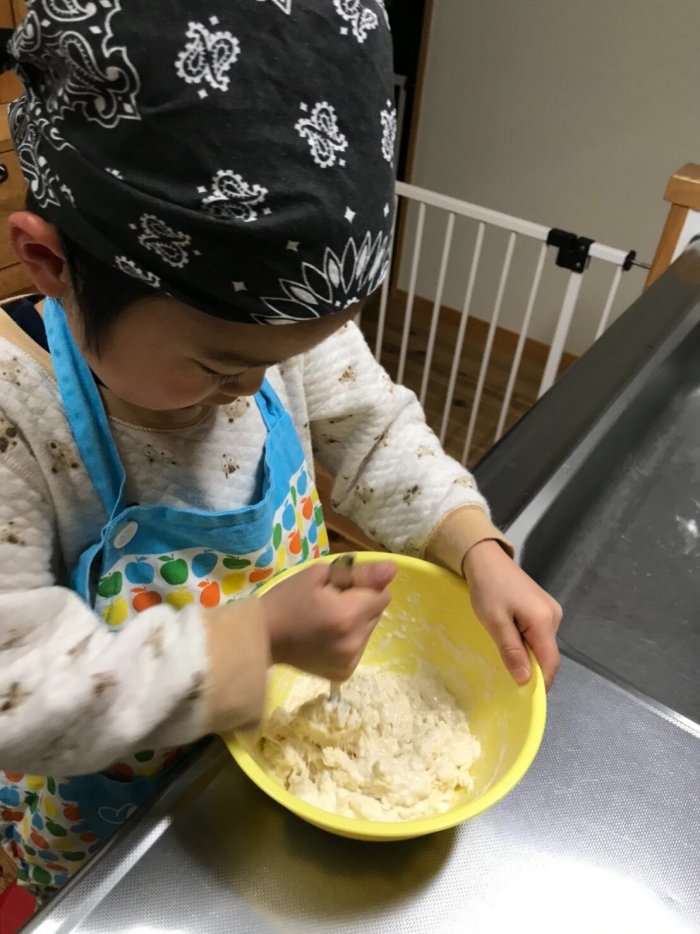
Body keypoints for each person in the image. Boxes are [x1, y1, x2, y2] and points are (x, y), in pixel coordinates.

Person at [0, 0, 561, 898]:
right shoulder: (17, 414)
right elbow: (19, 687)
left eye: (289, 358)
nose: (258, 386)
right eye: (222, 366)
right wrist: (256, 640)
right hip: (116, 826)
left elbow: (371, 424)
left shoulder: (265, 325)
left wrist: (473, 545)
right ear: (51, 262)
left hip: (253, 778)